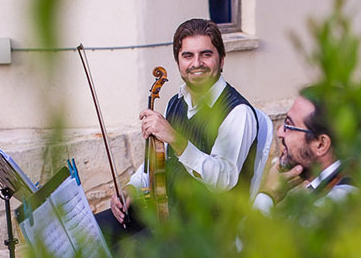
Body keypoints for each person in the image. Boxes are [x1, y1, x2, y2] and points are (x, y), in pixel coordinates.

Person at [96, 18, 263, 239]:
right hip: (166, 215)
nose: (197, 63)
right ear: (178, 63)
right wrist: (132, 188)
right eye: (188, 56)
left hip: (205, 232)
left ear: (221, 60)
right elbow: (155, 166)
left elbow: (224, 179)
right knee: (94, 231)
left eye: (206, 54)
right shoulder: (175, 103)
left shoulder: (237, 113)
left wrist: (177, 140)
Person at [254, 89, 354, 213]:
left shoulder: (334, 203)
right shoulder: (334, 185)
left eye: (289, 126)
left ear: (321, 144)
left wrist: (268, 194)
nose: (280, 133)